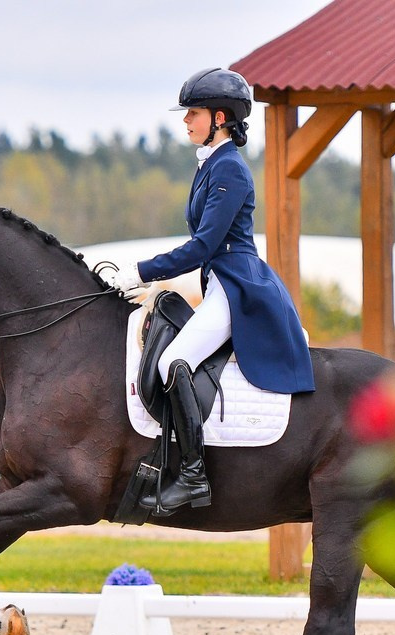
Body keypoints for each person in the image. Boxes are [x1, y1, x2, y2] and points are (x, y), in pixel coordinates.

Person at [103, 68, 315, 515]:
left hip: (237, 287)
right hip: (219, 281)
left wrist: (141, 272)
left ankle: (193, 476)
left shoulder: (229, 170)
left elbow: (203, 246)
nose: (186, 121)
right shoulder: (211, 165)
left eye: (193, 113)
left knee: (173, 361)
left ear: (220, 117)